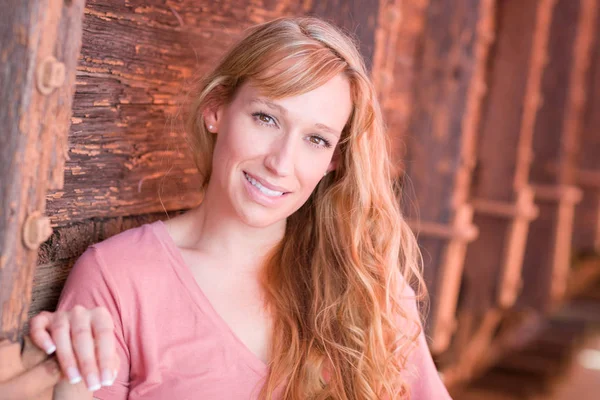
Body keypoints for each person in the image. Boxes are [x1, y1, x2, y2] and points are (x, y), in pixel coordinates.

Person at [28, 16, 452, 399]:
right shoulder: (117, 279)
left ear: (333, 161)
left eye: (316, 139)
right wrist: (65, 377)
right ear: (217, 109)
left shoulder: (369, 289)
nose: (281, 163)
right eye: (266, 118)